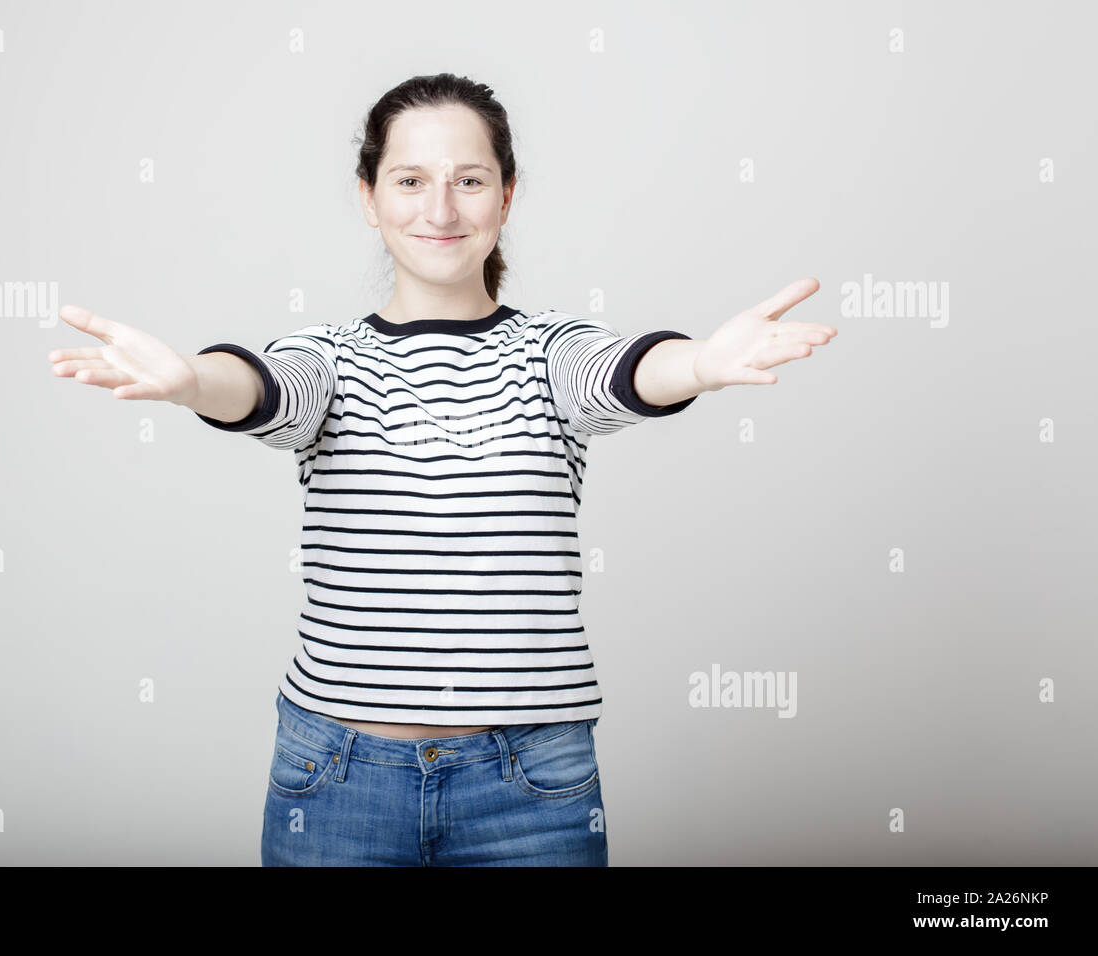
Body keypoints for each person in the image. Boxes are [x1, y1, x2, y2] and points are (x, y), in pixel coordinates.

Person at [47, 73, 836, 866]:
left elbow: (626, 373)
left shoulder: (550, 350)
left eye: (469, 181)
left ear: (507, 195)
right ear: (369, 196)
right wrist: (193, 380)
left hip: (531, 783)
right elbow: (264, 387)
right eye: (410, 181)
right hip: (337, 777)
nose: (441, 210)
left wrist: (698, 363)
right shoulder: (329, 357)